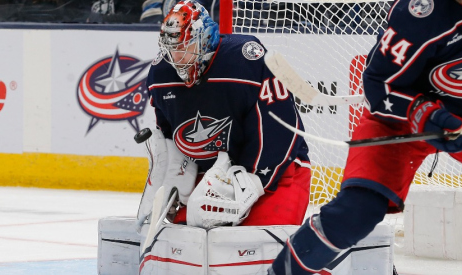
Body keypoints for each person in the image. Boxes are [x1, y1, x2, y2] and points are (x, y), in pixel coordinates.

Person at [269, 0, 462, 273]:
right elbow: (377, 85)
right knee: (354, 214)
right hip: (402, 117)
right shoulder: (422, 13)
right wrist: (423, 116)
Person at [139, 0, 311, 229]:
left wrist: (255, 181)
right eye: (172, 49)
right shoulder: (160, 75)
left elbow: (282, 128)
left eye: (185, 48)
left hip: (276, 175)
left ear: (205, 38)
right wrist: (175, 178)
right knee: (187, 244)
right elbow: (170, 134)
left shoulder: (247, 61)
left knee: (256, 246)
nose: (177, 58)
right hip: (211, 179)